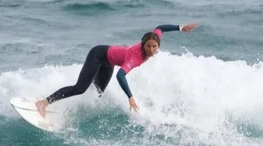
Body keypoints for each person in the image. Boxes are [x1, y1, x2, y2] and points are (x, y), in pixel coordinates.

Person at [35, 23, 200, 117]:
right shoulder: (135, 57)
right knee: (80, 88)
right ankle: (44, 102)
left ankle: (70, 108)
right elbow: (121, 76)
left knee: (97, 92)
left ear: (158, 45)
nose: (151, 49)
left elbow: (160, 28)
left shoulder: (154, 39)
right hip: (98, 54)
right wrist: (130, 97)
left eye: (154, 46)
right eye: (148, 46)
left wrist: (180, 27)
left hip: (109, 62)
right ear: (143, 45)